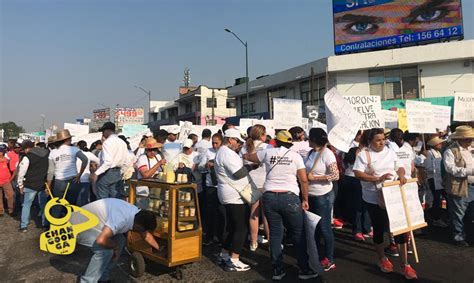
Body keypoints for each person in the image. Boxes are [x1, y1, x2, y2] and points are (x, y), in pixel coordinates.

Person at [244, 130, 318, 281]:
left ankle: (277, 270)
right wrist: (305, 199)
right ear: (290, 143)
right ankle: (304, 269)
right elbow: (303, 180)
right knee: (298, 234)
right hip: (289, 197)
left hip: (269, 196)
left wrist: (245, 151)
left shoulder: (267, 152)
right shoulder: (295, 156)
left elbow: (248, 157)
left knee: (276, 234)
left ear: (276, 141)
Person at [353, 128, 417, 280]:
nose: (382, 142)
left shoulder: (389, 150)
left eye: (383, 139)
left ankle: (405, 264)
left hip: (393, 193)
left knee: (400, 228)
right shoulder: (363, 154)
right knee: (380, 227)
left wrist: (401, 175)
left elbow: (399, 167)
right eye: (378, 140)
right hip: (374, 197)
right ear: (370, 141)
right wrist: (377, 179)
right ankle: (382, 258)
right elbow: (358, 173)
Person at [70, 198, 160, 283]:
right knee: (105, 252)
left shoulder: (136, 214)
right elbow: (101, 240)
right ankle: (87, 281)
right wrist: (115, 247)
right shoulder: (121, 219)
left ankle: (102, 278)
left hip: (94, 225)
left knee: (120, 239)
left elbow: (146, 236)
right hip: (77, 227)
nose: (142, 232)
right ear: (138, 226)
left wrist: (159, 249)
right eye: (142, 230)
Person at [214, 128, 251, 272]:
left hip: (227, 193)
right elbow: (239, 173)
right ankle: (234, 259)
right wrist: (251, 166)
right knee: (241, 228)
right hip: (234, 194)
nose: (240, 145)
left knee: (231, 227)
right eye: (238, 141)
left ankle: (224, 254)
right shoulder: (227, 153)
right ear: (231, 140)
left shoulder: (224, 152)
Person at [304, 128, 339, 271]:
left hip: (323, 196)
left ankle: (329, 258)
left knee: (324, 228)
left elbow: (336, 175)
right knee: (314, 228)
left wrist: (315, 178)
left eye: (309, 138)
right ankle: (317, 254)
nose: (307, 140)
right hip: (311, 195)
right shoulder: (310, 153)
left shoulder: (327, 153)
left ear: (314, 140)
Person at [239, 124, 271, 252]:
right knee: (267, 215)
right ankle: (270, 242)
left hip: (250, 183)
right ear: (262, 135)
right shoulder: (268, 147)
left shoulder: (245, 147)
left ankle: (253, 242)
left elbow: (241, 165)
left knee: (253, 214)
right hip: (266, 183)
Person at [443, 125, 474, 247]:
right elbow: (450, 169)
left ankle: (468, 234)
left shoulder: (471, 150)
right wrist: (469, 171)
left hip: (472, 185)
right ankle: (458, 237)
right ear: (460, 139)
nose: (470, 141)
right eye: (468, 139)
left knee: (471, 213)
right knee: (458, 213)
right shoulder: (450, 151)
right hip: (460, 185)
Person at [47, 129, 88, 215]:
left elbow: (50, 171)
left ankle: (56, 226)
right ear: (67, 140)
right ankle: (70, 226)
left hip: (59, 182)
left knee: (57, 205)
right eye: (70, 139)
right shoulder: (74, 149)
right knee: (71, 206)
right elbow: (85, 159)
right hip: (73, 181)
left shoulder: (53, 153)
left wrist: (48, 186)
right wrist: (79, 175)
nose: (71, 140)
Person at [17, 140, 49, 232]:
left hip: (30, 184)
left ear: (27, 148)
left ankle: (24, 226)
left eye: (24, 149)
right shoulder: (46, 154)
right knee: (43, 205)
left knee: (26, 204)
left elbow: (21, 172)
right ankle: (45, 224)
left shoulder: (27, 157)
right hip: (42, 183)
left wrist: (20, 185)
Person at [90, 122, 129, 199]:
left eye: (103, 131)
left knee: (103, 199)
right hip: (117, 172)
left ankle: (104, 211)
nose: (103, 134)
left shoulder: (107, 142)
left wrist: (96, 173)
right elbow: (126, 161)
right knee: (116, 198)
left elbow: (108, 162)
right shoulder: (122, 142)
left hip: (108, 172)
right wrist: (120, 172)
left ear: (107, 130)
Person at [199, 133, 226, 245]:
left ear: (221, 142)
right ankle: (209, 236)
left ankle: (220, 236)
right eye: (213, 143)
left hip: (222, 184)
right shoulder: (208, 151)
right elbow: (200, 166)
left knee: (221, 212)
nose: (214, 145)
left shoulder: (225, 152)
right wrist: (206, 165)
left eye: (217, 143)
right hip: (211, 185)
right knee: (210, 211)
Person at [343, 147, 372, 241]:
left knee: (364, 205)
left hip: (359, 180)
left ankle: (366, 228)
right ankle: (358, 230)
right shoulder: (357, 154)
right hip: (355, 179)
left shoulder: (361, 152)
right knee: (358, 206)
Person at [424, 136, 448, 228]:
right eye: (439, 143)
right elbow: (428, 167)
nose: (441, 145)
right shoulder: (429, 153)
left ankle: (440, 216)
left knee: (441, 198)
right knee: (437, 198)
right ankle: (436, 218)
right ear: (435, 145)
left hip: (439, 178)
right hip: (433, 179)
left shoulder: (438, 153)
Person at [76, 140, 101, 206]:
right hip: (85, 179)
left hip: (75, 178)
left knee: (76, 199)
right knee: (84, 199)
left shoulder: (75, 153)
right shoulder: (89, 154)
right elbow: (99, 162)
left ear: (78, 146)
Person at [0, 145, 15, 216]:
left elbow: (13, 169)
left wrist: (11, 178)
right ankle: (1, 211)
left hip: (6, 181)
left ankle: (10, 210)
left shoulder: (6, 160)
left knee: (10, 195)